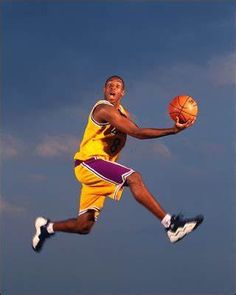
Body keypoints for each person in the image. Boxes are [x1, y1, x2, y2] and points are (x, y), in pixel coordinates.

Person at [32, 75, 203, 252]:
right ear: (104, 90)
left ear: (123, 92)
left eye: (117, 85)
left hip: (98, 170)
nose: (113, 88)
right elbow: (137, 133)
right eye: (109, 85)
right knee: (134, 178)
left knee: (84, 226)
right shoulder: (103, 109)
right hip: (89, 163)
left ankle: (47, 228)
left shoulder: (123, 113)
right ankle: (171, 225)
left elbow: (137, 130)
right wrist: (172, 131)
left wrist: (172, 129)